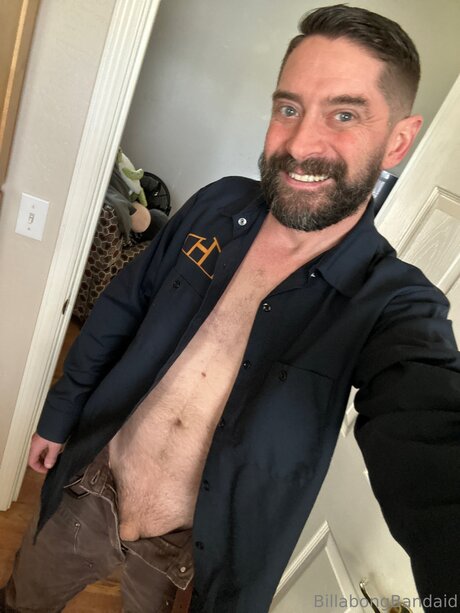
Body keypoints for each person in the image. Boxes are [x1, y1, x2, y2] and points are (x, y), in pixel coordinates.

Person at [2, 4, 459, 612]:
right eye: (288, 108)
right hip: (94, 485)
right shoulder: (218, 205)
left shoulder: (394, 303)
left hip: (188, 557)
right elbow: (125, 305)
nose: (300, 143)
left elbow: (431, 435)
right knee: (22, 599)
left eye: (344, 114)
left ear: (397, 141)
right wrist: (61, 413)